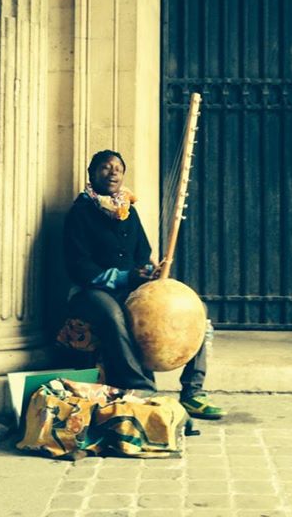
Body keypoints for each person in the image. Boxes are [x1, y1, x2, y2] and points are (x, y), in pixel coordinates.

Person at [63, 149, 226, 419]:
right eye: (105, 167)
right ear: (91, 174)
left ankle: (193, 391)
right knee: (113, 314)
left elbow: (142, 253)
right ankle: (142, 389)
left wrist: (150, 272)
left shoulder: (128, 211)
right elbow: (79, 267)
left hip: (131, 287)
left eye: (118, 168)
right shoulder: (79, 213)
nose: (113, 172)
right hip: (90, 291)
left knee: (193, 309)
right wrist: (127, 277)